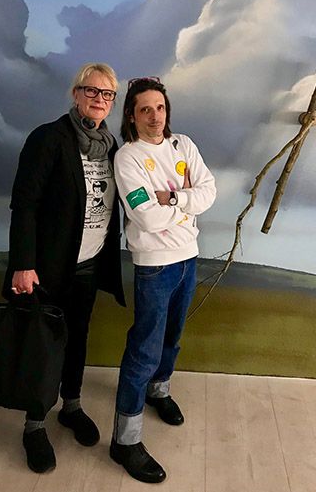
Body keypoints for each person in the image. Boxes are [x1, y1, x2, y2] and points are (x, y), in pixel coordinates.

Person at [2, 62, 125, 473]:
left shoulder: (112, 147)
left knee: (78, 337)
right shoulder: (49, 138)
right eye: (91, 90)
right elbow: (25, 205)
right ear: (76, 94)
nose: (99, 99)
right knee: (44, 345)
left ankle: (70, 406)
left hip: (89, 263)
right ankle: (34, 425)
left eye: (107, 94)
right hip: (49, 267)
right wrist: (23, 264)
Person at [109, 77, 216, 483]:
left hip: (188, 258)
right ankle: (125, 441)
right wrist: (187, 204)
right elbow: (146, 218)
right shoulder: (128, 158)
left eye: (160, 107)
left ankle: (159, 392)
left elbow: (209, 192)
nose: (155, 116)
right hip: (154, 266)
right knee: (145, 349)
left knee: (172, 337)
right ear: (131, 116)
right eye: (145, 110)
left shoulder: (183, 145)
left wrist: (172, 198)